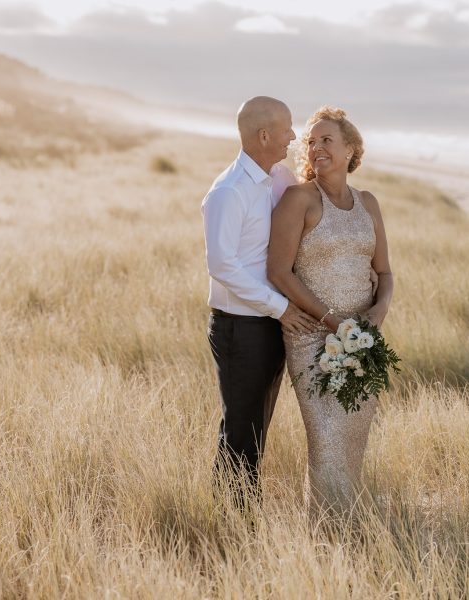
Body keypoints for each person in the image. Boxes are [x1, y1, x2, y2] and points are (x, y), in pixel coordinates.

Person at [267, 106, 394, 513]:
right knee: (326, 441)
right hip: (311, 337)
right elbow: (279, 271)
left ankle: (350, 528)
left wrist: (376, 315)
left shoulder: (368, 203)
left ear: (351, 148)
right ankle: (322, 539)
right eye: (311, 141)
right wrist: (330, 320)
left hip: (360, 338)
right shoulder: (298, 199)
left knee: (353, 439)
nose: (316, 147)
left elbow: (385, 273)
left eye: (327, 140)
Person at [201, 96, 315, 507]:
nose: (293, 135)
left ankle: (239, 515)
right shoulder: (228, 192)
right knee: (241, 431)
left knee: (257, 426)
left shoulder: (279, 177)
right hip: (240, 327)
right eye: (287, 128)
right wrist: (281, 307)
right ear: (264, 135)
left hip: (270, 323)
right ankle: (235, 523)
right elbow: (222, 266)